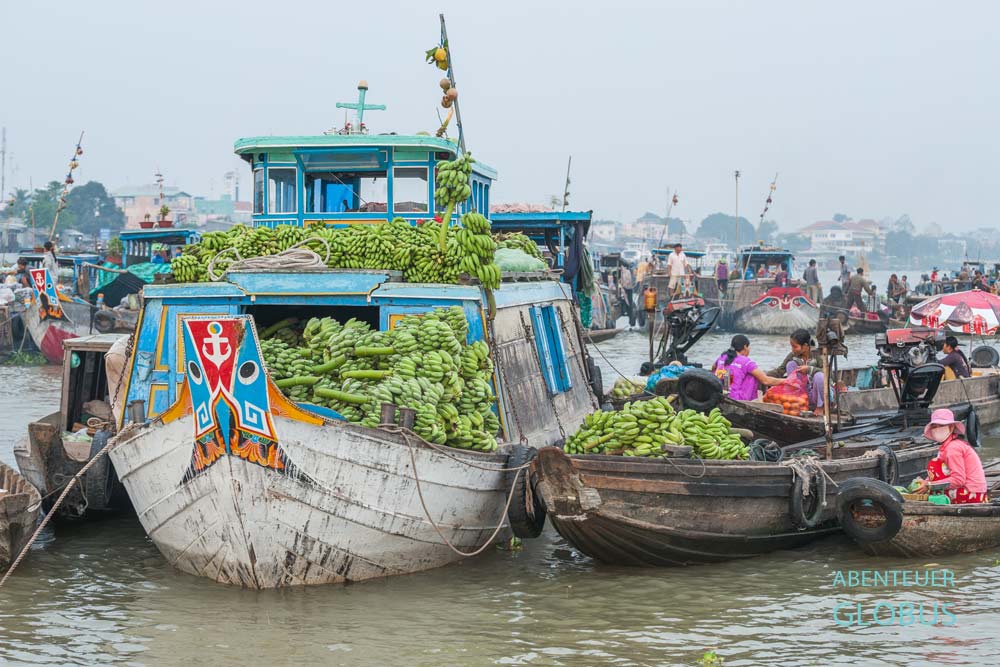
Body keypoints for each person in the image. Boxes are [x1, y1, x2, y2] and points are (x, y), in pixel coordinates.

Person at [912, 409, 987, 504]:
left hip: (970, 494)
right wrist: (925, 482)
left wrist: (929, 485)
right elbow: (940, 472)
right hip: (973, 493)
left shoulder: (953, 448)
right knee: (936, 464)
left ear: (951, 428)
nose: (938, 429)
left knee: (934, 496)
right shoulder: (948, 446)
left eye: (942, 426)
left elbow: (958, 480)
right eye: (935, 427)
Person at [711, 334, 784, 400]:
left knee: (727, 372)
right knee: (754, 375)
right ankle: (749, 400)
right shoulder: (746, 362)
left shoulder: (722, 356)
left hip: (718, 393)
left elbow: (713, 368)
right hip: (735, 398)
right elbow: (765, 380)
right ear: (745, 347)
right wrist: (786, 381)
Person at [781, 329, 826, 416]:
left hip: (819, 395)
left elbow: (828, 374)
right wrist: (763, 376)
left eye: (795, 346)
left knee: (819, 376)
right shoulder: (793, 355)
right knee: (790, 364)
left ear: (805, 346)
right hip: (804, 395)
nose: (792, 349)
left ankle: (820, 407)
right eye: (791, 346)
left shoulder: (818, 355)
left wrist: (810, 369)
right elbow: (780, 370)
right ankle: (797, 402)